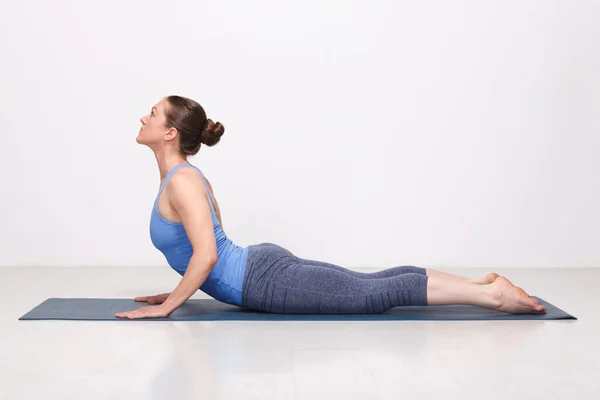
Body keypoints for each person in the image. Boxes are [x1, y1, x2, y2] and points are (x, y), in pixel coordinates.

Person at [115, 95, 547, 319]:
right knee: (372, 284)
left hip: (263, 282)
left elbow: (209, 254)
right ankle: (481, 285)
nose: (143, 118)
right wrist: (179, 291)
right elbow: (208, 248)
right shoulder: (182, 179)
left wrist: (168, 305)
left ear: (170, 133)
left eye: (152, 113)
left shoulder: (184, 180)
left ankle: (492, 296)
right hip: (260, 269)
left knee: (372, 294)